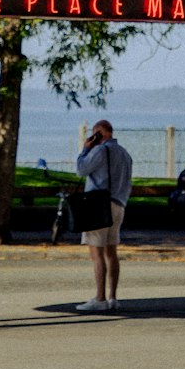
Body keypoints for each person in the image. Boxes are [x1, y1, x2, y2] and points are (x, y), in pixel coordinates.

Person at [74, 119, 133, 313]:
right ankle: (113, 297)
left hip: (98, 204)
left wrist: (85, 149)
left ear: (100, 133)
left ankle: (99, 298)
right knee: (111, 252)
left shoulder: (99, 151)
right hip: (119, 204)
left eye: (94, 133)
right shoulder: (125, 154)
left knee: (97, 253)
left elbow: (81, 169)